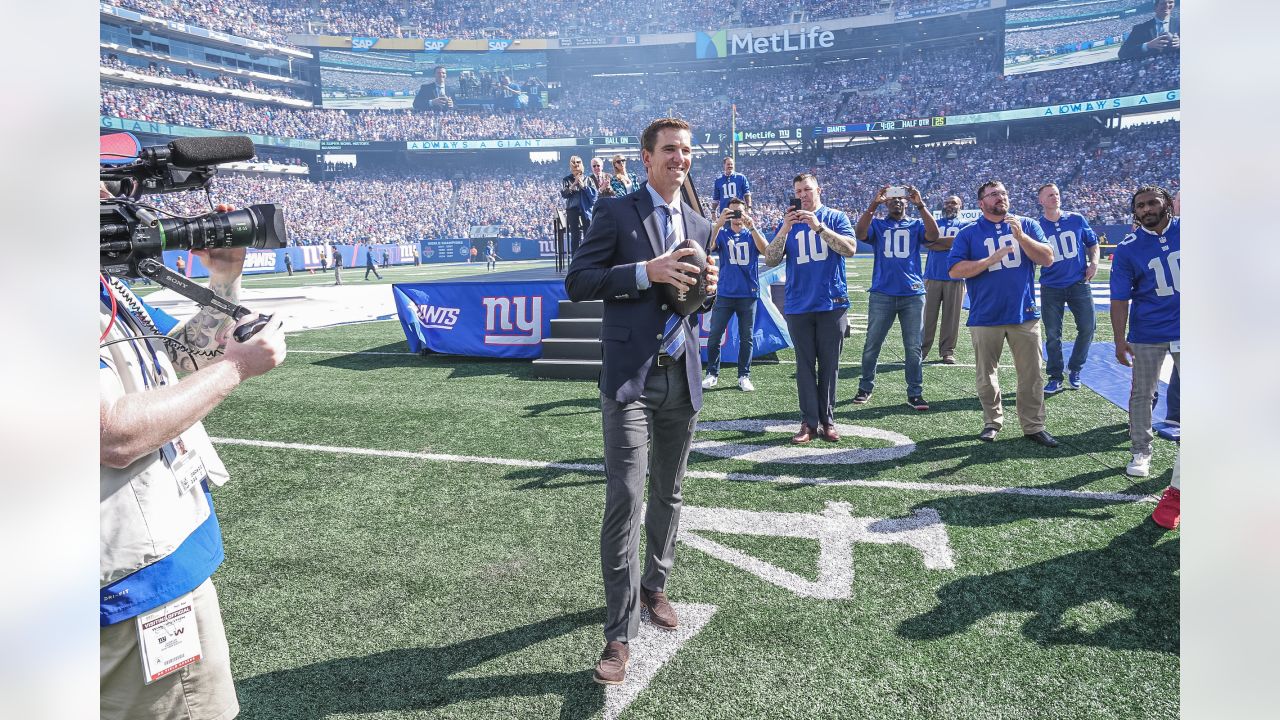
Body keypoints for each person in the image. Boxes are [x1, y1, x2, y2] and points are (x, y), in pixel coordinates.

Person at [100, 223, 287, 719]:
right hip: (129, 580)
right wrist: (235, 369)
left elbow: (179, 352)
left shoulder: (98, 283)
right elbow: (111, 436)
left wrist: (223, 281)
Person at [565, 117, 718, 687]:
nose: (680, 158)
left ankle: (655, 585)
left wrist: (704, 292)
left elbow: (686, 307)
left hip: (682, 374)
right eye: (670, 150)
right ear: (647, 157)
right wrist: (642, 271)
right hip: (629, 378)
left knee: (669, 492)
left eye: (686, 151)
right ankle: (618, 633)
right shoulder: (616, 211)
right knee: (626, 498)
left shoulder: (700, 224)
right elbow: (579, 281)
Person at [948, 180, 1059, 447]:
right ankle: (992, 421)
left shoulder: (1027, 224)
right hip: (985, 314)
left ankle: (1033, 425)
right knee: (986, 374)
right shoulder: (969, 232)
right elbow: (954, 270)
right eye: (994, 194)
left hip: (1024, 313)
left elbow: (1047, 258)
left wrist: (1021, 237)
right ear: (981, 203)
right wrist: (989, 260)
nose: (1001, 197)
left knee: (1032, 374)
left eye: (1004, 193)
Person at [764, 173, 858, 444]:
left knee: (829, 365)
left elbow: (850, 249)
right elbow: (771, 259)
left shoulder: (836, 217)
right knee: (804, 366)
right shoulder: (789, 223)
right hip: (798, 304)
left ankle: (828, 420)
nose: (803, 194)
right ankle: (808, 422)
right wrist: (784, 229)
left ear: (819, 190)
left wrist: (819, 228)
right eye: (798, 190)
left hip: (831, 303)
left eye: (807, 189)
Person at [1109, 185, 1180, 479]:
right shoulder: (1128, 247)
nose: (1147, 209)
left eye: (1153, 203)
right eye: (1140, 206)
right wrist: (1118, 339)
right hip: (1148, 330)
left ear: (1166, 204)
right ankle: (1141, 450)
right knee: (1142, 393)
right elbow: (1119, 298)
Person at [853, 184, 940, 411]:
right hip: (882, 292)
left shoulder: (916, 224)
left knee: (913, 347)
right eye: (892, 199)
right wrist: (874, 203)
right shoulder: (879, 225)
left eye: (901, 199)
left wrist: (920, 204)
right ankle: (865, 387)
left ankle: (915, 392)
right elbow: (859, 233)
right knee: (873, 343)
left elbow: (934, 235)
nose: (897, 202)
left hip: (912, 294)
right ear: (887, 202)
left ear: (907, 202)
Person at [1036, 183, 1100, 394]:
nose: (1054, 197)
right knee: (1053, 334)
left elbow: (1092, 243)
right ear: (1041, 201)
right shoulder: (1036, 226)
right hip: (1051, 286)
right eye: (1049, 195)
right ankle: (1055, 376)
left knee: (1088, 327)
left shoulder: (1076, 218)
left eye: (1056, 194)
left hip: (1078, 282)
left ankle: (1075, 368)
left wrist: (1094, 263)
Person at [703, 198, 769, 391]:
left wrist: (753, 227)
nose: (736, 216)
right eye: (732, 212)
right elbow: (708, 246)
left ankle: (744, 375)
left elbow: (766, 251)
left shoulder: (752, 232)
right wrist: (718, 223)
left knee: (746, 337)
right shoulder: (723, 233)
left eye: (739, 211)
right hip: (725, 293)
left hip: (748, 294)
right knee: (714, 335)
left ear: (746, 211)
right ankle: (712, 373)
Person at [921, 195, 967, 364]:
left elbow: (960, 242)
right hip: (932, 275)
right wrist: (948, 243)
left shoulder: (964, 225)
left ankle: (947, 351)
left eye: (953, 203)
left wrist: (936, 242)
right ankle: (922, 350)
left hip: (955, 276)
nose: (949, 205)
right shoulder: (935, 223)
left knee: (951, 317)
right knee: (927, 317)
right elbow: (926, 242)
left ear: (960, 206)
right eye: (947, 203)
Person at [560, 155, 598, 258]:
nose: (576, 164)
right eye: (574, 162)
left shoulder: (588, 179)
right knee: (575, 235)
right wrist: (573, 185)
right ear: (571, 165)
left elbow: (594, 196)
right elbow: (564, 194)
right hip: (572, 210)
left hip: (586, 209)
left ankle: (588, 257)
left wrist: (584, 187)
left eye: (578, 162)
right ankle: (575, 259)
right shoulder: (566, 180)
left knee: (588, 234)